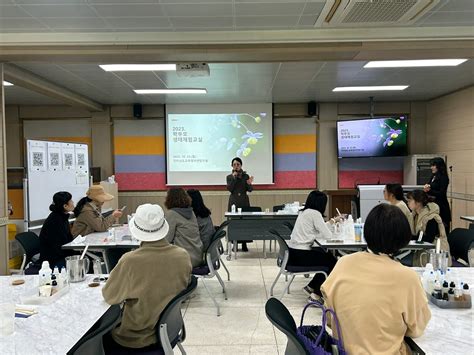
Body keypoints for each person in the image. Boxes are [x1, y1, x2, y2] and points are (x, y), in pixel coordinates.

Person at [321, 204, 431, 355]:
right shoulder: (407, 277)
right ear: (402, 237)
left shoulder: (343, 263)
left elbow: (328, 318)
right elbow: (417, 328)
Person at [102, 204, 192, 351]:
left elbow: (110, 296)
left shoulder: (130, 261)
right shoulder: (182, 255)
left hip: (135, 338)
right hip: (171, 330)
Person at [287, 190, 341, 302]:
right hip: (301, 255)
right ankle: (316, 295)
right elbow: (328, 235)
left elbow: (316, 231)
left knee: (328, 258)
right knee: (332, 262)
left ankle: (311, 287)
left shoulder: (304, 212)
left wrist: (332, 221)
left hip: (294, 253)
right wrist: (334, 224)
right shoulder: (315, 214)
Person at [406, 190, 451, 264]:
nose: (408, 203)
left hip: (434, 253)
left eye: (410, 200)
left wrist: (407, 238)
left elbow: (429, 239)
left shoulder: (431, 217)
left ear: (418, 203)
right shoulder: (414, 215)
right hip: (422, 250)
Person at [164, 188, 203, 267]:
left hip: (184, 259)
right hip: (197, 256)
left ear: (170, 199)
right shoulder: (191, 213)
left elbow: (166, 240)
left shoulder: (172, 214)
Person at [39, 191, 76, 269]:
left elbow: (67, 239)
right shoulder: (56, 220)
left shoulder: (62, 216)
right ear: (65, 206)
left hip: (59, 254)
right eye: (71, 201)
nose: (73, 203)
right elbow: (59, 246)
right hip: (53, 260)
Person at [226, 157, 254, 251]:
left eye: (238, 164)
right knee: (234, 223)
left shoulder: (245, 176)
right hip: (234, 201)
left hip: (243, 200)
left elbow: (250, 190)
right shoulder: (229, 177)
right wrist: (234, 178)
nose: (236, 166)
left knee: (244, 223)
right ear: (232, 166)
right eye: (234, 164)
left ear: (241, 165)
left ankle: (244, 244)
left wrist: (249, 184)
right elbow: (230, 189)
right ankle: (235, 244)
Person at [424, 157, 451, 231]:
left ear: (439, 166)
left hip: (441, 206)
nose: (431, 167)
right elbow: (430, 186)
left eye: (433, 165)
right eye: (431, 165)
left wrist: (429, 190)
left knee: (442, 230)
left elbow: (442, 193)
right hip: (433, 206)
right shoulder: (433, 176)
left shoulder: (444, 177)